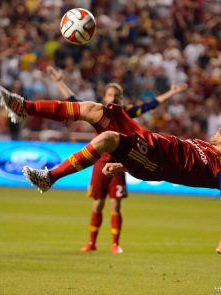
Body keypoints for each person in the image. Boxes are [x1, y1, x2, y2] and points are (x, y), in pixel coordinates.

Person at [0, 83, 221, 263]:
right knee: (92, 109)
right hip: (149, 141)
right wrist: (123, 164)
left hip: (154, 160)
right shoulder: (206, 145)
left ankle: (50, 177)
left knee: (107, 138)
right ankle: (24, 107)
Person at [46, 66, 174, 254]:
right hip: (99, 163)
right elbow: (73, 101)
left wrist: (171, 92)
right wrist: (59, 82)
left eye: (117, 96)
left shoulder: (124, 113)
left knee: (116, 204)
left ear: (121, 99)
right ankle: (91, 242)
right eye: (110, 95)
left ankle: (115, 244)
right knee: (98, 204)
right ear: (104, 97)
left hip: (120, 165)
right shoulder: (98, 112)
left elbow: (148, 106)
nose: (113, 99)